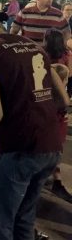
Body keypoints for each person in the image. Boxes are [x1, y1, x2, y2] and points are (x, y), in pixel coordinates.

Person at [0, 5, 68, 240]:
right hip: (49, 145)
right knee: (24, 217)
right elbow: (63, 99)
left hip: (19, 148)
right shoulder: (33, 47)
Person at [49, 63, 72, 202]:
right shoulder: (57, 100)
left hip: (57, 138)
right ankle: (56, 183)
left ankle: (56, 181)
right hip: (54, 138)